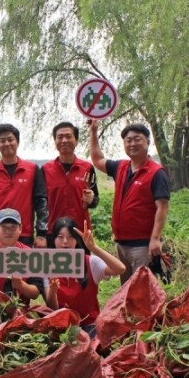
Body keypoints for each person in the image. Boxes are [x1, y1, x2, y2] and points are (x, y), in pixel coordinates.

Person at [89, 120, 170, 284]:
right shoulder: (121, 167)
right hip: (121, 243)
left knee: (142, 289)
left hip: (142, 245)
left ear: (147, 141)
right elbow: (97, 160)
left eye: (137, 139)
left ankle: (146, 311)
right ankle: (129, 311)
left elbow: (162, 208)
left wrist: (155, 239)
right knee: (126, 289)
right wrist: (93, 131)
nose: (132, 143)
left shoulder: (156, 173)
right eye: (128, 140)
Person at [45, 217, 125, 336]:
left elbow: (120, 269)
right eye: (60, 237)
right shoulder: (47, 265)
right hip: (61, 327)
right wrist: (53, 290)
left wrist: (94, 248)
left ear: (77, 240)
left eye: (70, 237)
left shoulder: (90, 262)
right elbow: (52, 306)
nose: (65, 242)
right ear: (54, 240)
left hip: (89, 325)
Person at [0, 123, 48, 247]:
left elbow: (41, 202)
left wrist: (41, 233)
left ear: (17, 142)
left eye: (10, 139)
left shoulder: (32, 169)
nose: (6, 144)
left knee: (23, 266)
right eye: (2, 141)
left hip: (23, 233)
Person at [0, 209, 44, 303]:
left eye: (13, 227)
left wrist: (21, 285)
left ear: (20, 228)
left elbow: (35, 294)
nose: (8, 231)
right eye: (4, 227)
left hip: (22, 312)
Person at [43, 122, 99, 232]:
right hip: (54, 231)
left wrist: (92, 199)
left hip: (81, 231)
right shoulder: (45, 169)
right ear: (55, 142)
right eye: (60, 137)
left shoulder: (87, 168)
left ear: (76, 140)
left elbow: (95, 200)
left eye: (68, 136)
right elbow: (41, 203)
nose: (64, 140)